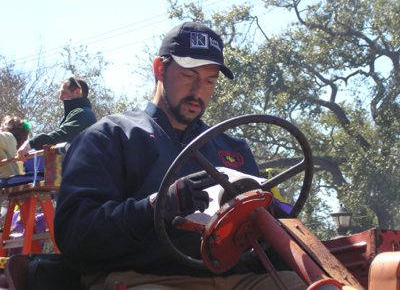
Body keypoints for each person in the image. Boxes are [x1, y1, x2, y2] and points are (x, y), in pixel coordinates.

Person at [54, 22, 306, 290]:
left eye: (210, 81)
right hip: (142, 278)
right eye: (189, 76)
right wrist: (154, 207)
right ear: (159, 69)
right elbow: (74, 234)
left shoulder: (234, 149)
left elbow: (266, 236)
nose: (199, 90)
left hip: (236, 280)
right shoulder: (109, 137)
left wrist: (274, 223)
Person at [16, 77, 97, 161]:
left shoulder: (83, 113)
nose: (60, 97)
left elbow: (63, 136)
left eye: (63, 93)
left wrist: (31, 143)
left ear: (77, 92)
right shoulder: (79, 113)